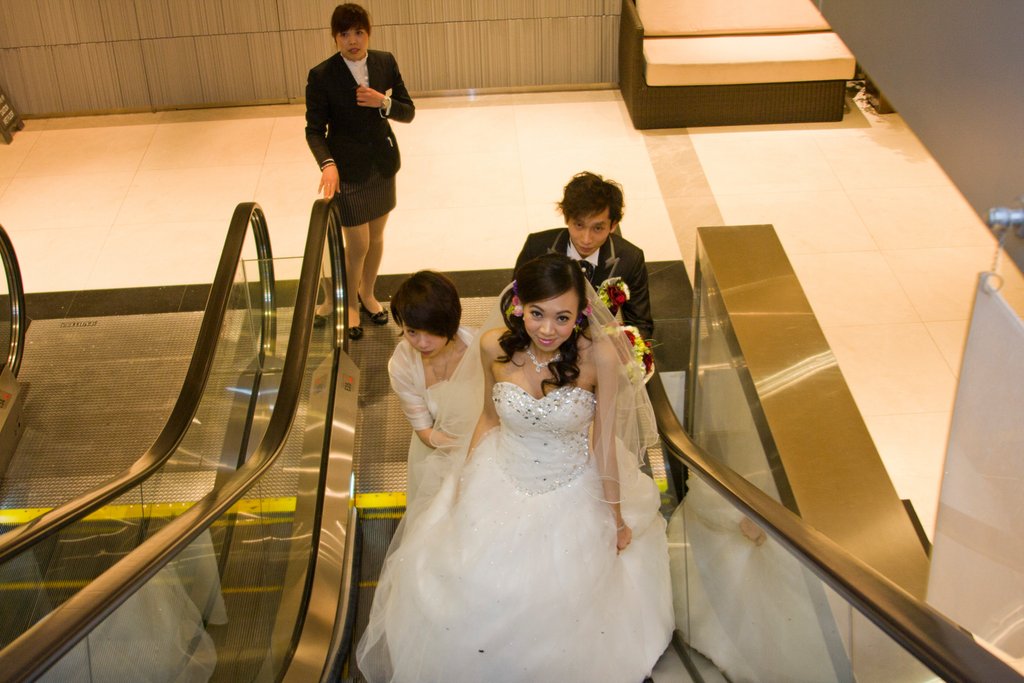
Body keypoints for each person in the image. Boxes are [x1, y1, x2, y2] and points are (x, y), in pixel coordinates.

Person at [356, 253, 673, 683]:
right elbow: (489, 417)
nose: (547, 330)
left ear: (581, 314)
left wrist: (614, 515)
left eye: (562, 318)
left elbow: (602, 441)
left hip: (571, 485)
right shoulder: (493, 346)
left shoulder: (599, 357)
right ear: (520, 305)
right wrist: (463, 481)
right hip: (500, 473)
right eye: (537, 313)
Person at [305, 3, 415, 340]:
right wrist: (328, 164)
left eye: (358, 32)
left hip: (382, 165)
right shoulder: (322, 75)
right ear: (335, 37)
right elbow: (314, 130)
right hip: (348, 171)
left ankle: (367, 293)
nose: (352, 40)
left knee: (377, 238)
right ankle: (349, 303)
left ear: (368, 33)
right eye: (344, 34)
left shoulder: (384, 61)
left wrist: (383, 102)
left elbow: (408, 111)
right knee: (358, 244)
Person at [515, 171, 654, 339]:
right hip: (543, 336)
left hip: (595, 342)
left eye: (598, 228)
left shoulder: (630, 259)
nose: (586, 239)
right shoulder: (536, 247)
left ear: (613, 225)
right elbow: (513, 304)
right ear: (567, 218)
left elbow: (641, 325)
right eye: (579, 225)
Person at [388, 271, 475, 501]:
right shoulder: (402, 364)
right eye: (412, 332)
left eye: (433, 332)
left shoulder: (477, 349)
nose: (422, 343)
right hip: (437, 449)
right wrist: (462, 449)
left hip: (484, 444)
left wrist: (478, 450)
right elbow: (424, 430)